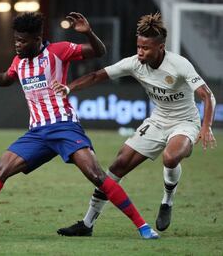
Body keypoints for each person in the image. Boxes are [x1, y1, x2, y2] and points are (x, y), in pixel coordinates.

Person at [0, 12, 159, 239]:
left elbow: (99, 52)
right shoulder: (19, 61)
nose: (17, 44)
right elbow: (6, 79)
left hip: (64, 126)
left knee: (97, 175)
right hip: (37, 132)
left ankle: (143, 226)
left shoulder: (57, 51)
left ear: (37, 39)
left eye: (22, 40)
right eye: (15, 40)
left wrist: (88, 32)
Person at [53, 12, 216, 236]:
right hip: (158, 120)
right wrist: (69, 88)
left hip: (185, 121)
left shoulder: (179, 64)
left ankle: (167, 200)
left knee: (170, 157)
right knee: (118, 165)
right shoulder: (134, 63)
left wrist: (205, 127)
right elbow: (97, 76)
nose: (140, 51)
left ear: (160, 47)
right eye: (138, 46)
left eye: (146, 48)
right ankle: (87, 224)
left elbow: (207, 95)